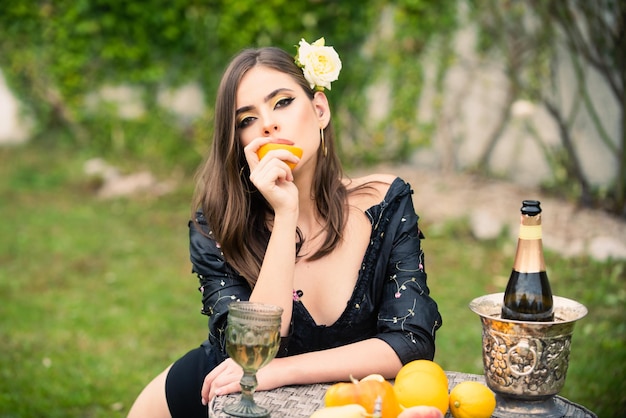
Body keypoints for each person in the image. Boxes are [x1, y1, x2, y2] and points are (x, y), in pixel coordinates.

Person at [127, 38, 442, 418]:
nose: (268, 124)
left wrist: (282, 371)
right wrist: (285, 214)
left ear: (320, 109)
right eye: (247, 120)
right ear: (240, 141)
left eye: (282, 102)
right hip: (215, 399)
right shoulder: (216, 222)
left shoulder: (384, 202)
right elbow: (250, 356)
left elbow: (410, 340)